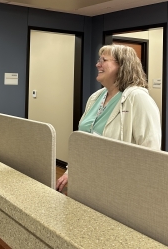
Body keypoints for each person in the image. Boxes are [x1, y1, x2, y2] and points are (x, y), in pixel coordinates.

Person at [56, 44, 161, 192]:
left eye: (103, 60)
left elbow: (151, 152)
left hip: (118, 186)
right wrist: (70, 171)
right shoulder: (96, 97)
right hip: (86, 180)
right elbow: (84, 142)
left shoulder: (137, 98)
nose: (97, 64)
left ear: (123, 65)